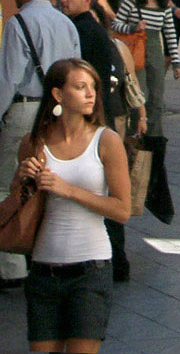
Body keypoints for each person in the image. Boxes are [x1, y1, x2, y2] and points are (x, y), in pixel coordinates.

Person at [16, 58, 130, 353]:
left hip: (91, 270)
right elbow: (22, 206)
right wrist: (21, 181)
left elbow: (122, 210)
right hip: (43, 270)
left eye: (93, 87)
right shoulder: (34, 142)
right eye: (80, 87)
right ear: (57, 95)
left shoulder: (107, 141)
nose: (91, 94)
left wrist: (69, 191)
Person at [0, 0, 80, 287]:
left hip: (25, 109)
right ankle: (53, 256)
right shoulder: (65, 23)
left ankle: (12, 266)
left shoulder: (17, 23)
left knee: (11, 182)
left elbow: (8, 78)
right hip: (59, 112)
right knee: (52, 183)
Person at [60, 0, 133, 282]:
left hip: (91, 121)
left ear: (87, 0)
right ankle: (117, 260)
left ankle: (114, 259)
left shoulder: (81, 31)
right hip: (100, 118)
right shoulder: (92, 29)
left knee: (102, 189)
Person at [112, 0, 180, 135]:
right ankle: (135, 135)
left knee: (157, 97)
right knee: (139, 94)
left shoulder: (164, 7)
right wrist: (132, 27)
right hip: (135, 52)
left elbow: (170, 35)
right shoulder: (131, 2)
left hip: (155, 52)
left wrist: (176, 62)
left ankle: (154, 138)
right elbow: (115, 24)